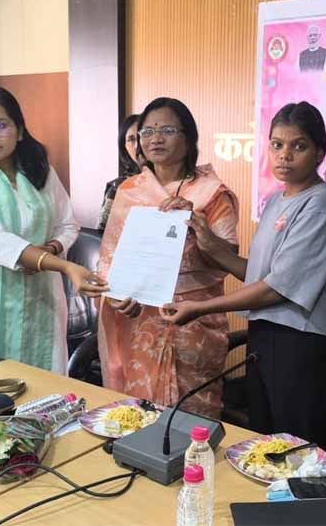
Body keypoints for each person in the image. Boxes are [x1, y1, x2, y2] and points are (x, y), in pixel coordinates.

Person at [161, 101, 326, 446]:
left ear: (320, 152)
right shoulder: (277, 201)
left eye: (298, 146)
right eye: (277, 144)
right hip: (265, 335)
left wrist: (200, 308)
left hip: (301, 343)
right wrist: (210, 243)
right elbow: (258, 275)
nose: (284, 155)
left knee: (295, 450)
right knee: (263, 441)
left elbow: (275, 289)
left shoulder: (321, 205)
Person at [0, 86, 107, 372]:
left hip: (41, 301)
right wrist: (63, 266)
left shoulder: (41, 173)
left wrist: (50, 249)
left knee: (43, 389)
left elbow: (67, 224)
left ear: (19, 131)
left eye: (0, 125)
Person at [97, 97, 240, 419]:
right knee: (137, 416)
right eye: (147, 131)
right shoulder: (130, 190)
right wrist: (118, 295)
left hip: (192, 321)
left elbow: (228, 258)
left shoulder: (212, 193)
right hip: (139, 320)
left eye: (167, 130)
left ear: (189, 138)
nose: (155, 139)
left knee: (190, 421)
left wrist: (199, 228)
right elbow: (110, 258)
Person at [97, 114, 142, 230]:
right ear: (124, 147)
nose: (138, 145)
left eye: (142, 136)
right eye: (131, 139)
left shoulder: (181, 182)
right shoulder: (118, 187)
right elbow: (102, 234)